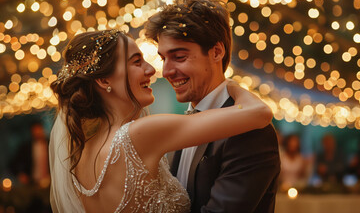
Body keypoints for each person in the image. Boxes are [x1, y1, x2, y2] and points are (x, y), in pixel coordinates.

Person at [49, 29, 273, 213]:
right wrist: (231, 85)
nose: (151, 70)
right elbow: (260, 112)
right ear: (103, 79)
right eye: (136, 62)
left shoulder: (80, 155)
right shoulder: (138, 135)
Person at [145, 0, 281, 212]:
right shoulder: (180, 125)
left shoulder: (249, 130)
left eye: (179, 57)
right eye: (163, 58)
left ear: (216, 52)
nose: (167, 71)